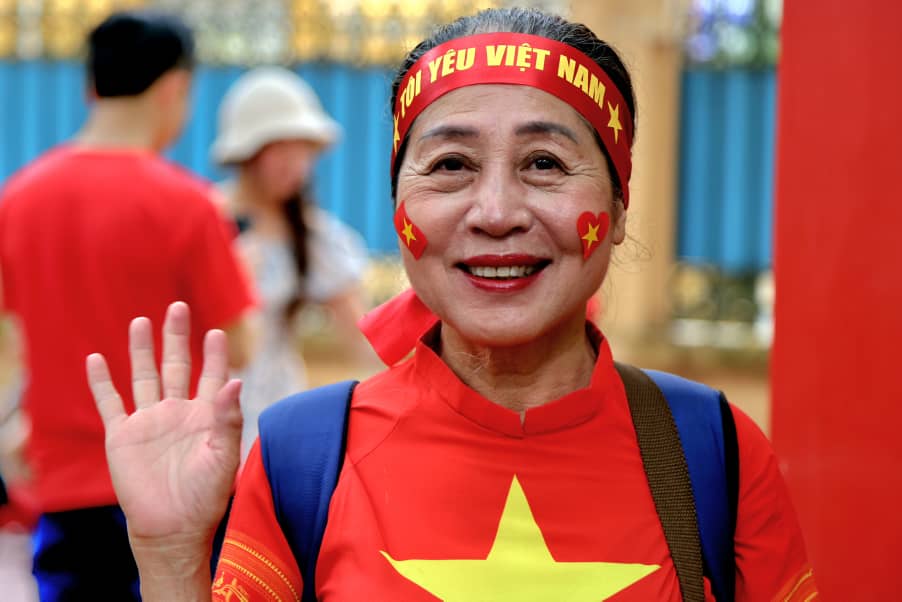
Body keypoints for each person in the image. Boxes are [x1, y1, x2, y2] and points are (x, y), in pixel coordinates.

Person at [86, 7, 817, 601]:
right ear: (399, 206)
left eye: (544, 164)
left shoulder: (712, 451)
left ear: (619, 207)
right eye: (450, 166)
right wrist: (174, 561)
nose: (495, 211)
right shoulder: (299, 458)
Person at [0, 10, 256, 600]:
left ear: (91, 87)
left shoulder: (19, 199)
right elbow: (242, 342)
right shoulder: (190, 206)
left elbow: (14, 342)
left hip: (61, 487)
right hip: (173, 481)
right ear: (175, 88)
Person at [210, 66, 371, 459]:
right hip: (209, 411)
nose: (293, 163)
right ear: (247, 151)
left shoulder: (314, 238)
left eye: (302, 149)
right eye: (278, 148)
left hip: (276, 417)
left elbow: (362, 336)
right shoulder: (207, 222)